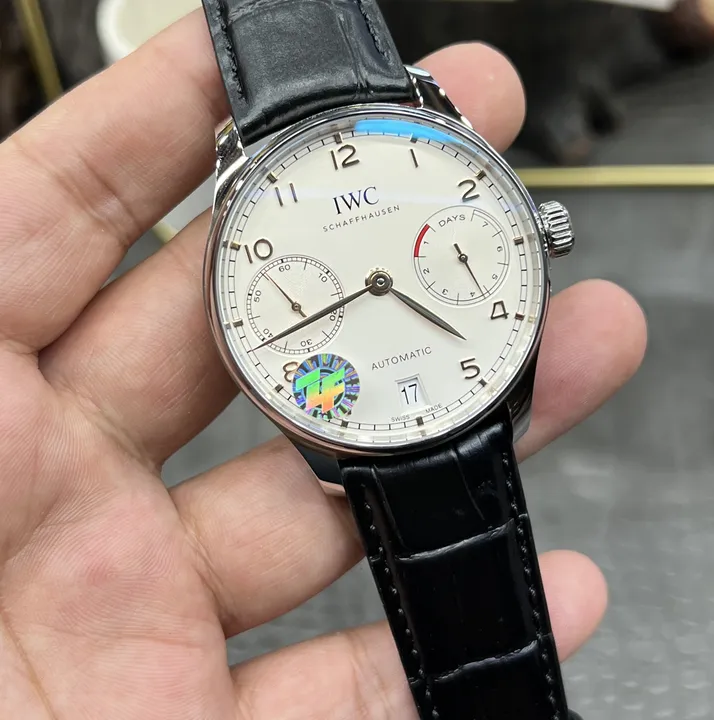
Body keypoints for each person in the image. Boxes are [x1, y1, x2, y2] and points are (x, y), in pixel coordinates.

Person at [0, 10, 646, 719]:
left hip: (464, 398)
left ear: (540, 231)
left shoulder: (418, 144)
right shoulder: (348, 165)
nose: (378, 282)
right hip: (377, 415)